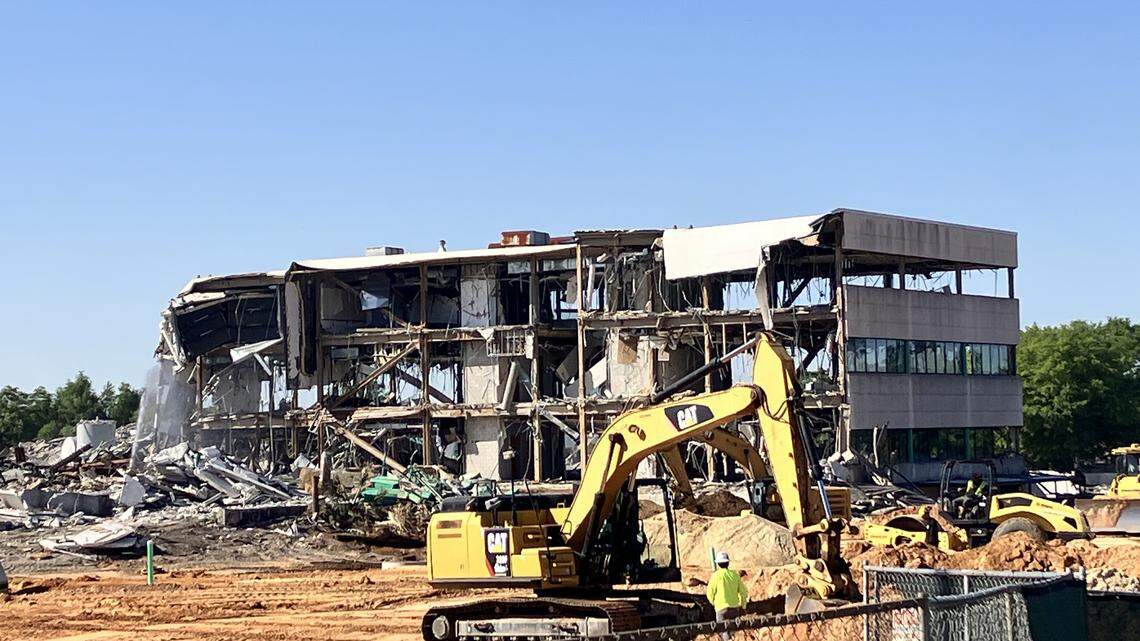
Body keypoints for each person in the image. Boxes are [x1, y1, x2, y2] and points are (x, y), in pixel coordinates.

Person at [706, 551, 748, 640]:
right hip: (734, 607)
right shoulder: (735, 575)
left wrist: (714, 603)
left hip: (721, 608)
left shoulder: (715, 576)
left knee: (723, 631)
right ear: (728, 562)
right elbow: (744, 592)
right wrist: (743, 606)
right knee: (733, 632)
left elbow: (709, 593)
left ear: (717, 563)